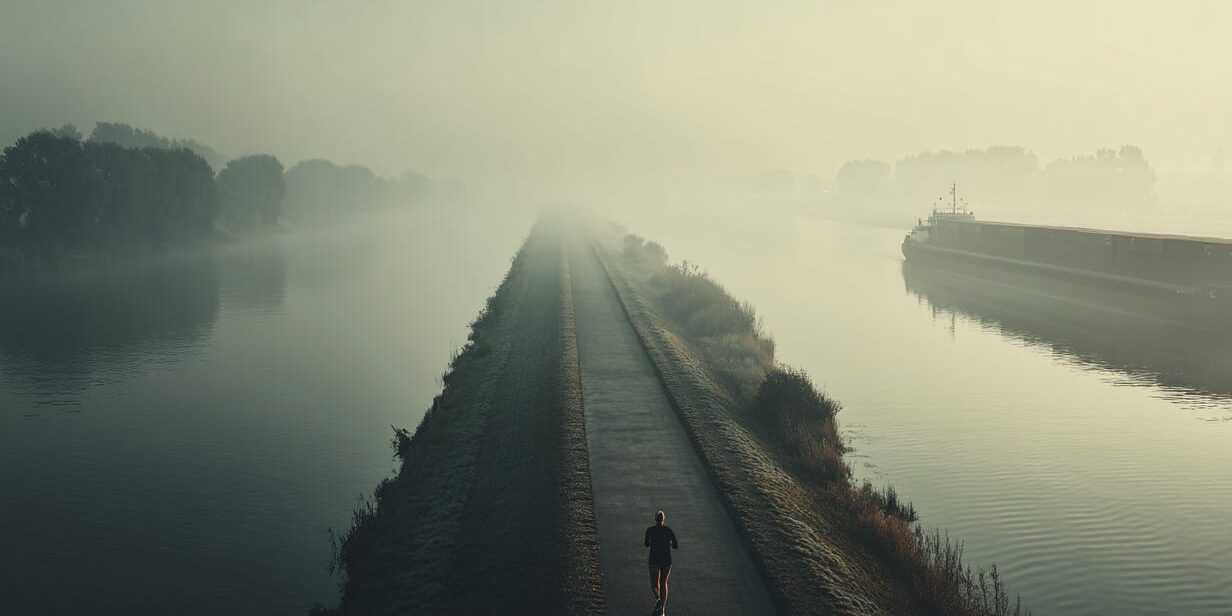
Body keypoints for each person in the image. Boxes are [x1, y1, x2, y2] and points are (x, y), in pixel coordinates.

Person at [644, 510, 678, 615]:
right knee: (664, 583)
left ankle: (658, 599)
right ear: (663, 519)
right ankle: (662, 609)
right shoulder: (668, 530)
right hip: (666, 560)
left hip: (654, 559)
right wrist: (670, 544)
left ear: (655, 519)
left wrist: (651, 543)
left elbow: (646, 544)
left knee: (654, 585)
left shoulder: (649, 530)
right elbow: (676, 545)